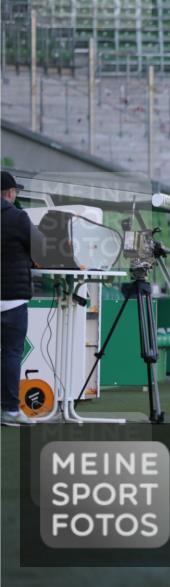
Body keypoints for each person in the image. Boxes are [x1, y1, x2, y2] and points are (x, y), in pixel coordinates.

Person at [2, 171, 42, 427]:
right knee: (11, 353)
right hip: (12, 300)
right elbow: (42, 251)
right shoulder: (18, 217)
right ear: (10, 193)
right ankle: (8, 409)